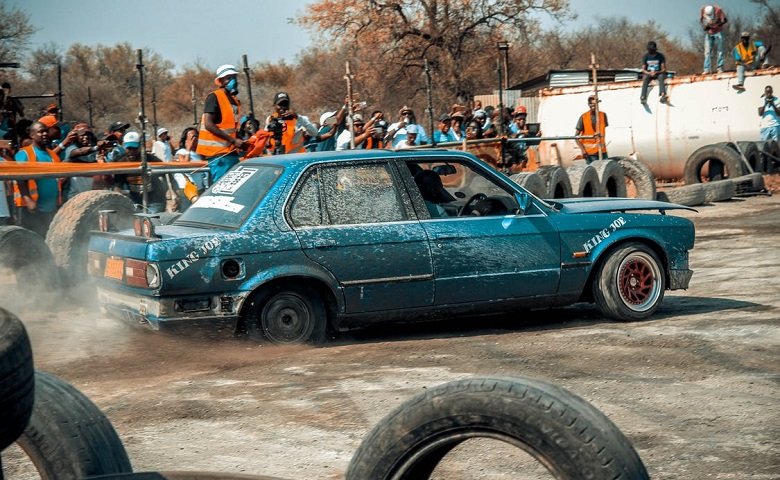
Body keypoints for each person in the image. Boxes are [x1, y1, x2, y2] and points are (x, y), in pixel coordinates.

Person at [196, 64, 244, 182]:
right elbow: (208, 124)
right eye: (229, 78)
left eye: (234, 77)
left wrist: (240, 141)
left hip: (231, 152)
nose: (233, 81)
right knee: (221, 187)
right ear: (221, 81)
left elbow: (231, 127)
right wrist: (233, 140)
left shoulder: (235, 101)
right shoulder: (214, 97)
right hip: (218, 155)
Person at [13, 122, 61, 236]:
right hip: (32, 209)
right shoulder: (24, 153)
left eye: (46, 131)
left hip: (51, 208)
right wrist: (28, 199)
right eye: (40, 131)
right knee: (32, 240)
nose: (44, 134)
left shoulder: (52, 155)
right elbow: (18, 178)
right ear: (32, 135)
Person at [113, 131, 169, 213]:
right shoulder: (120, 162)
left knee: (153, 223)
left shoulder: (150, 159)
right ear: (124, 147)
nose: (131, 151)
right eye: (129, 148)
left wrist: (167, 190)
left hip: (155, 200)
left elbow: (166, 172)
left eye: (134, 148)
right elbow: (118, 186)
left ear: (140, 147)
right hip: (135, 201)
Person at [174, 127, 204, 210]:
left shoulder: (199, 154)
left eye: (196, 136)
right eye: (191, 137)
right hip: (187, 189)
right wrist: (188, 149)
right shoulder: (182, 152)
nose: (194, 139)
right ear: (185, 140)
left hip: (199, 188)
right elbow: (184, 166)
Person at [575, 95, 608, 163]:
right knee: (594, 172)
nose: (593, 106)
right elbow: (576, 137)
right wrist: (583, 150)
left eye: (595, 104)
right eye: (591, 104)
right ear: (588, 104)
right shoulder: (583, 117)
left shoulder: (603, 115)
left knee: (605, 170)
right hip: (590, 154)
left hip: (602, 152)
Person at [700, 4, 728, 74]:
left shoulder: (719, 10)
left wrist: (716, 25)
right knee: (707, 52)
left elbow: (725, 20)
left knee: (720, 50)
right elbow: (701, 20)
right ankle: (707, 69)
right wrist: (705, 26)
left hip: (718, 32)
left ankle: (720, 68)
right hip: (709, 33)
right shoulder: (703, 10)